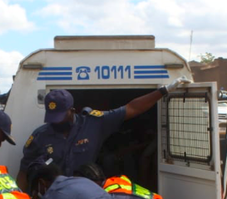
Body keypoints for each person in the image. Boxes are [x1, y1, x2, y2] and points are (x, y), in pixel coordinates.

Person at [17, 77, 189, 190]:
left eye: (60, 117)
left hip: (87, 195)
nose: (56, 122)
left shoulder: (94, 123)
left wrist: (164, 91)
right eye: (52, 118)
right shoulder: (40, 136)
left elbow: (131, 108)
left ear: (72, 110)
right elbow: (24, 171)